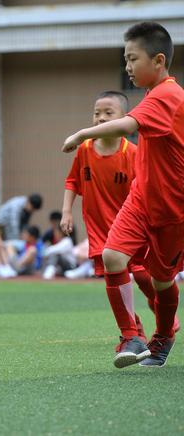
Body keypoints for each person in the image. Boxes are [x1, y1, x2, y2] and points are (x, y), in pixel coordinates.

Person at [62, 22, 183, 368]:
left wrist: (82, 132)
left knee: (162, 282)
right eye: (125, 59)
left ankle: (163, 338)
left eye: (132, 58)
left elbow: (128, 125)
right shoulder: (154, 94)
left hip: (172, 208)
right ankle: (131, 334)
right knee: (114, 257)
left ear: (158, 60)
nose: (127, 66)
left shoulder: (168, 95)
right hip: (141, 198)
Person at [61, 90, 174, 350]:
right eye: (97, 113)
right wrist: (67, 211)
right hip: (99, 231)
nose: (100, 118)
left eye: (108, 113)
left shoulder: (132, 153)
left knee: (144, 276)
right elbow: (72, 181)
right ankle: (134, 332)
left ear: (124, 119)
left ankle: (160, 309)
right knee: (115, 283)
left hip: (130, 230)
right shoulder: (85, 150)